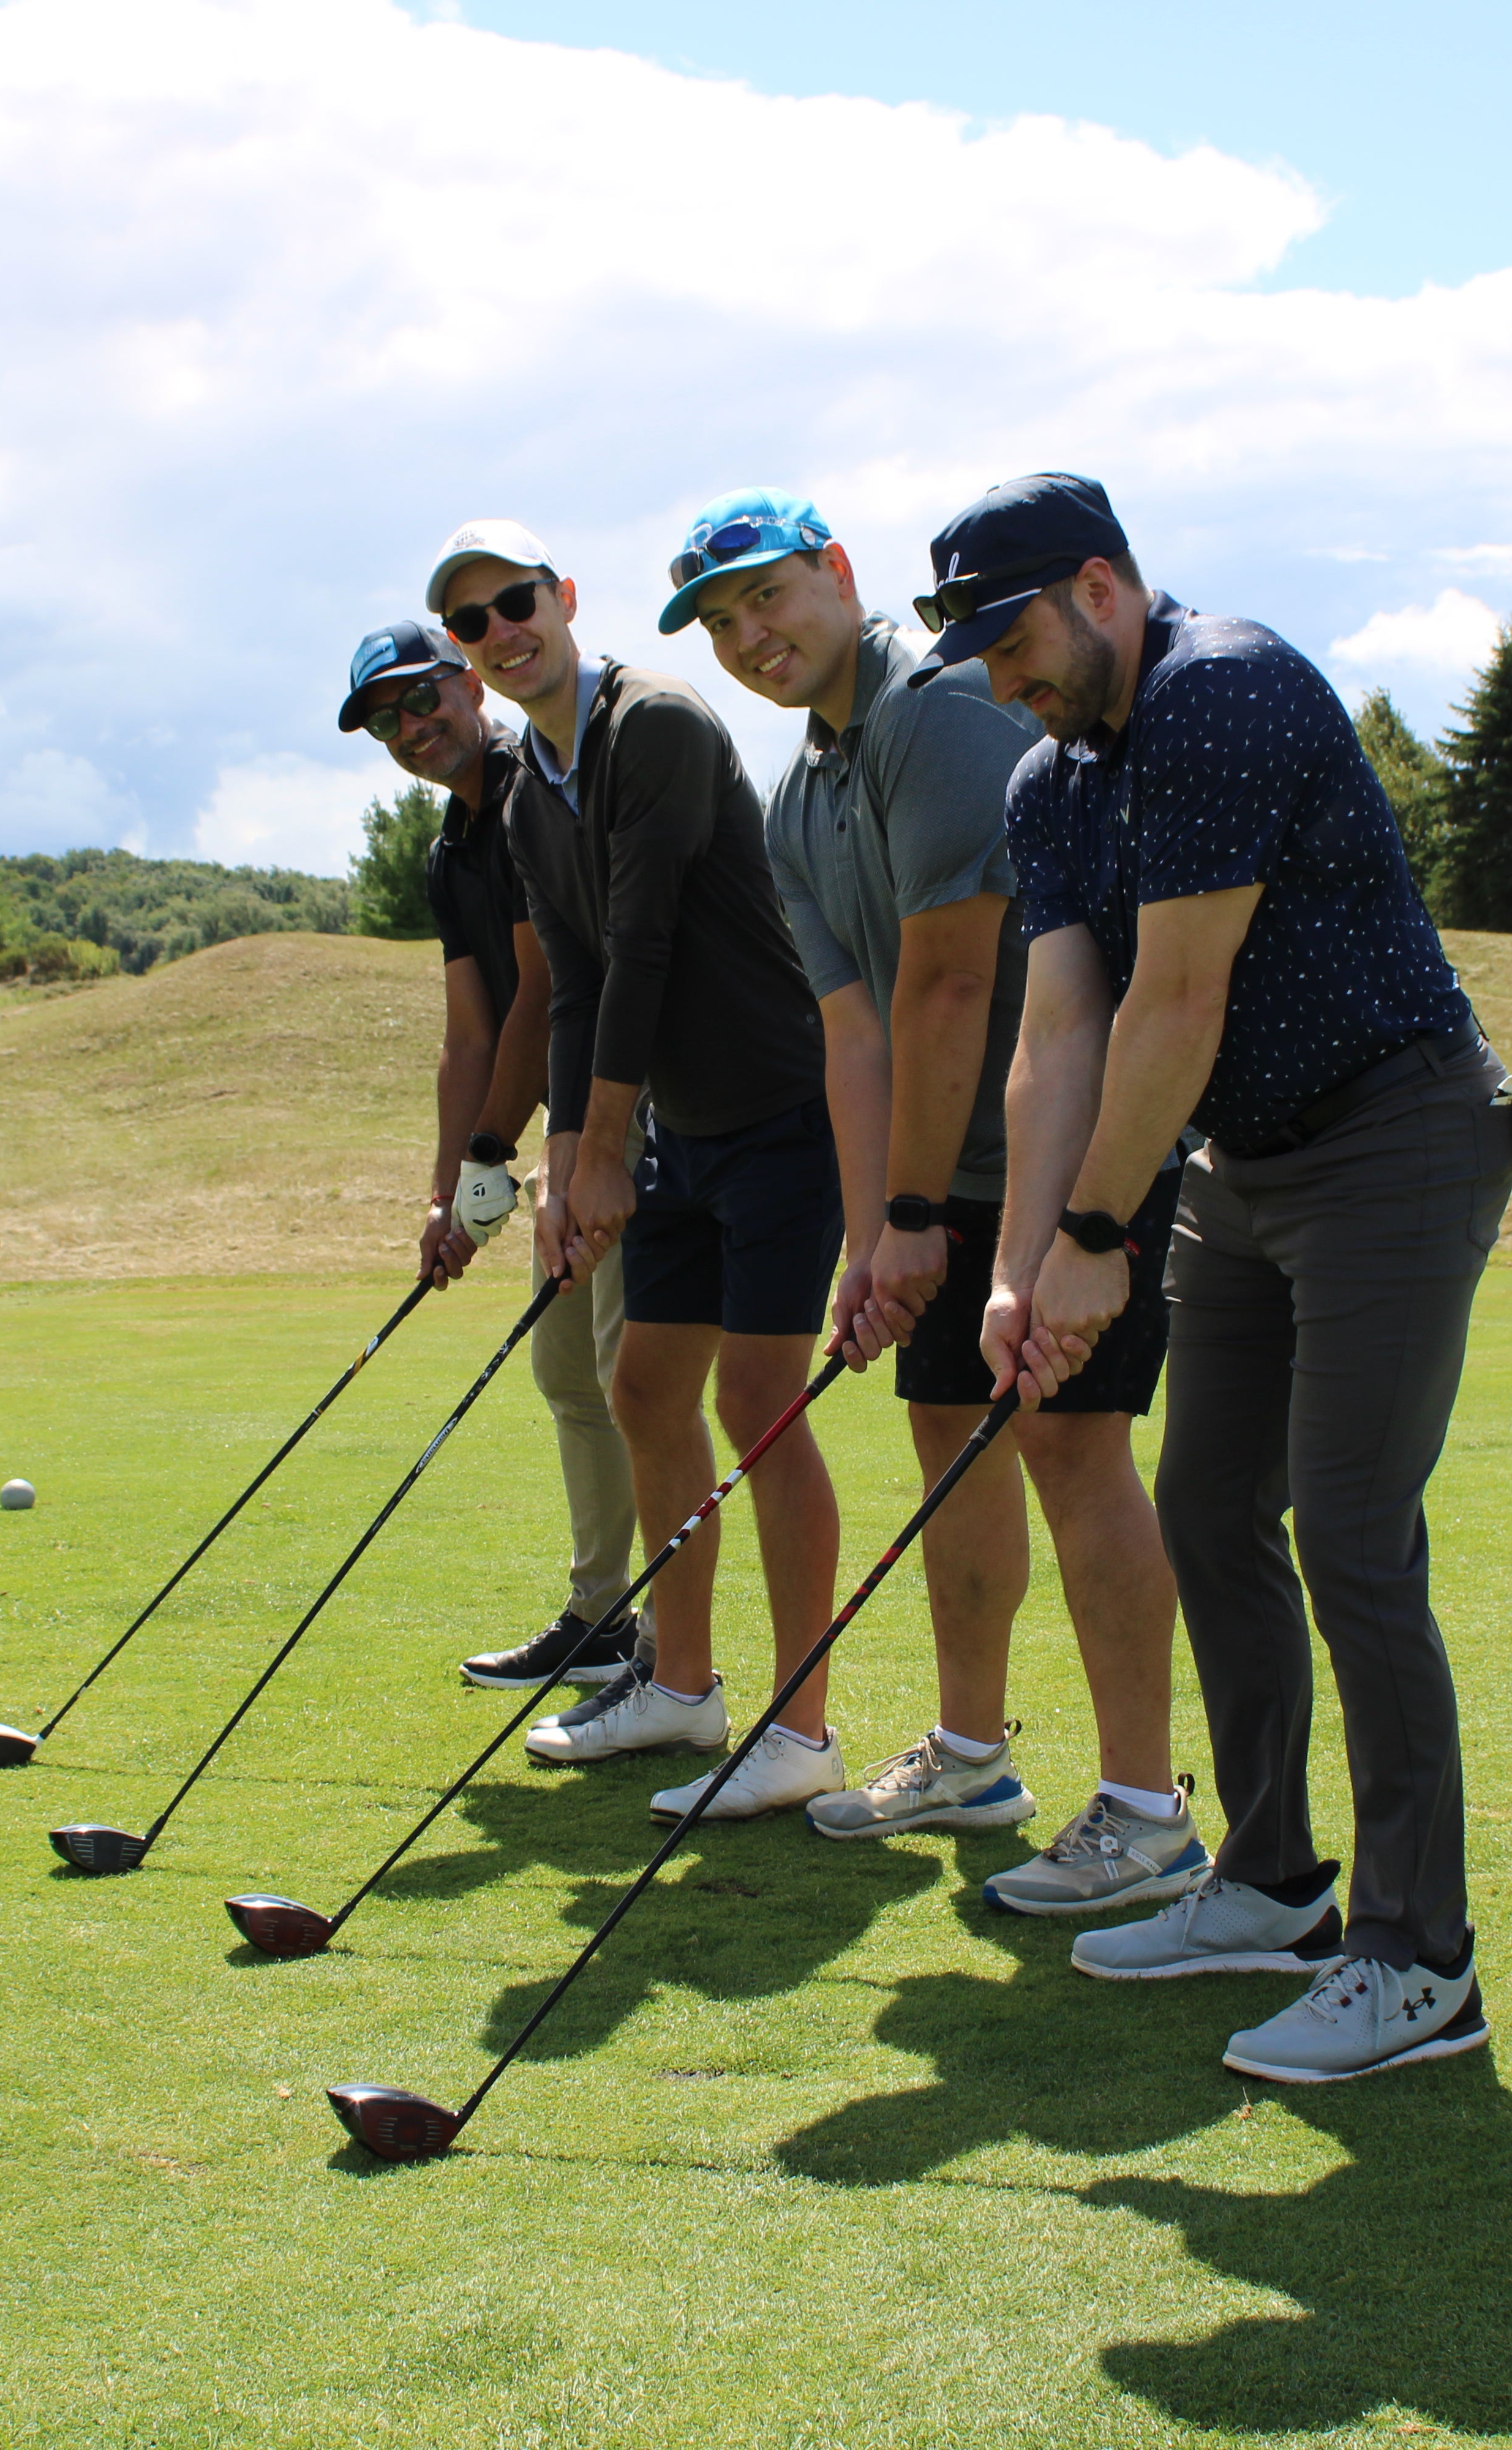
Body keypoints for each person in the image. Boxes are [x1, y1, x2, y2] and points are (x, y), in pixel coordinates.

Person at [922, 472, 1512, 2082]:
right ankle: (1268, 1881)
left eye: (1015, 637)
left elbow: (1174, 1008)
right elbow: (1059, 1038)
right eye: (976, 653)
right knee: (1206, 1509)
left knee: (1353, 1534)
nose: (1003, 680)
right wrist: (1024, 1267)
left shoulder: (1226, 691)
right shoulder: (1052, 783)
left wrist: (1100, 1244)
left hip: (1396, 1133)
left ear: (1102, 589)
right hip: (1243, 1169)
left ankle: (1419, 1959)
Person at [660, 488, 1208, 1917]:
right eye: (721, 621)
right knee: (944, 1434)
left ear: (840, 574)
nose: (749, 634)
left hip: (1084, 1151)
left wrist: (912, 1209)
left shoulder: (942, 708)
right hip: (941, 1179)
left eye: (768, 596)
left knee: (1072, 1446)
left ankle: (1146, 1805)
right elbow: (855, 1029)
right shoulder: (799, 799)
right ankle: (973, 1752)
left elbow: (956, 977)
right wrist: (876, 1236)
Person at [423, 519, 851, 1822]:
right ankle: (682, 1685)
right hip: (681, 1130)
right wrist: (565, 1160)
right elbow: (570, 974)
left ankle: (800, 1726)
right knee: (644, 1387)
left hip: (784, 1109)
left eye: (514, 604)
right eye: (472, 625)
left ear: (562, 597)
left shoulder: (651, 722)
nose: (501, 635)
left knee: (759, 1399)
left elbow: (649, 946)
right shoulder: (532, 789)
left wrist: (603, 1143)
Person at [334, 618, 646, 1691]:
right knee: (570, 1370)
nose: (412, 728)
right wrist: (447, 1197)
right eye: (386, 721)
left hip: (624, 1110)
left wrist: (489, 1159)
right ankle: (607, 1621)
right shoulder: (449, 850)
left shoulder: (528, 798)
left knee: (623, 1372)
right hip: (559, 1128)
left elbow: (546, 994)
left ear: (470, 685)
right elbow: (472, 1029)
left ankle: (656, 1647)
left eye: (423, 700)